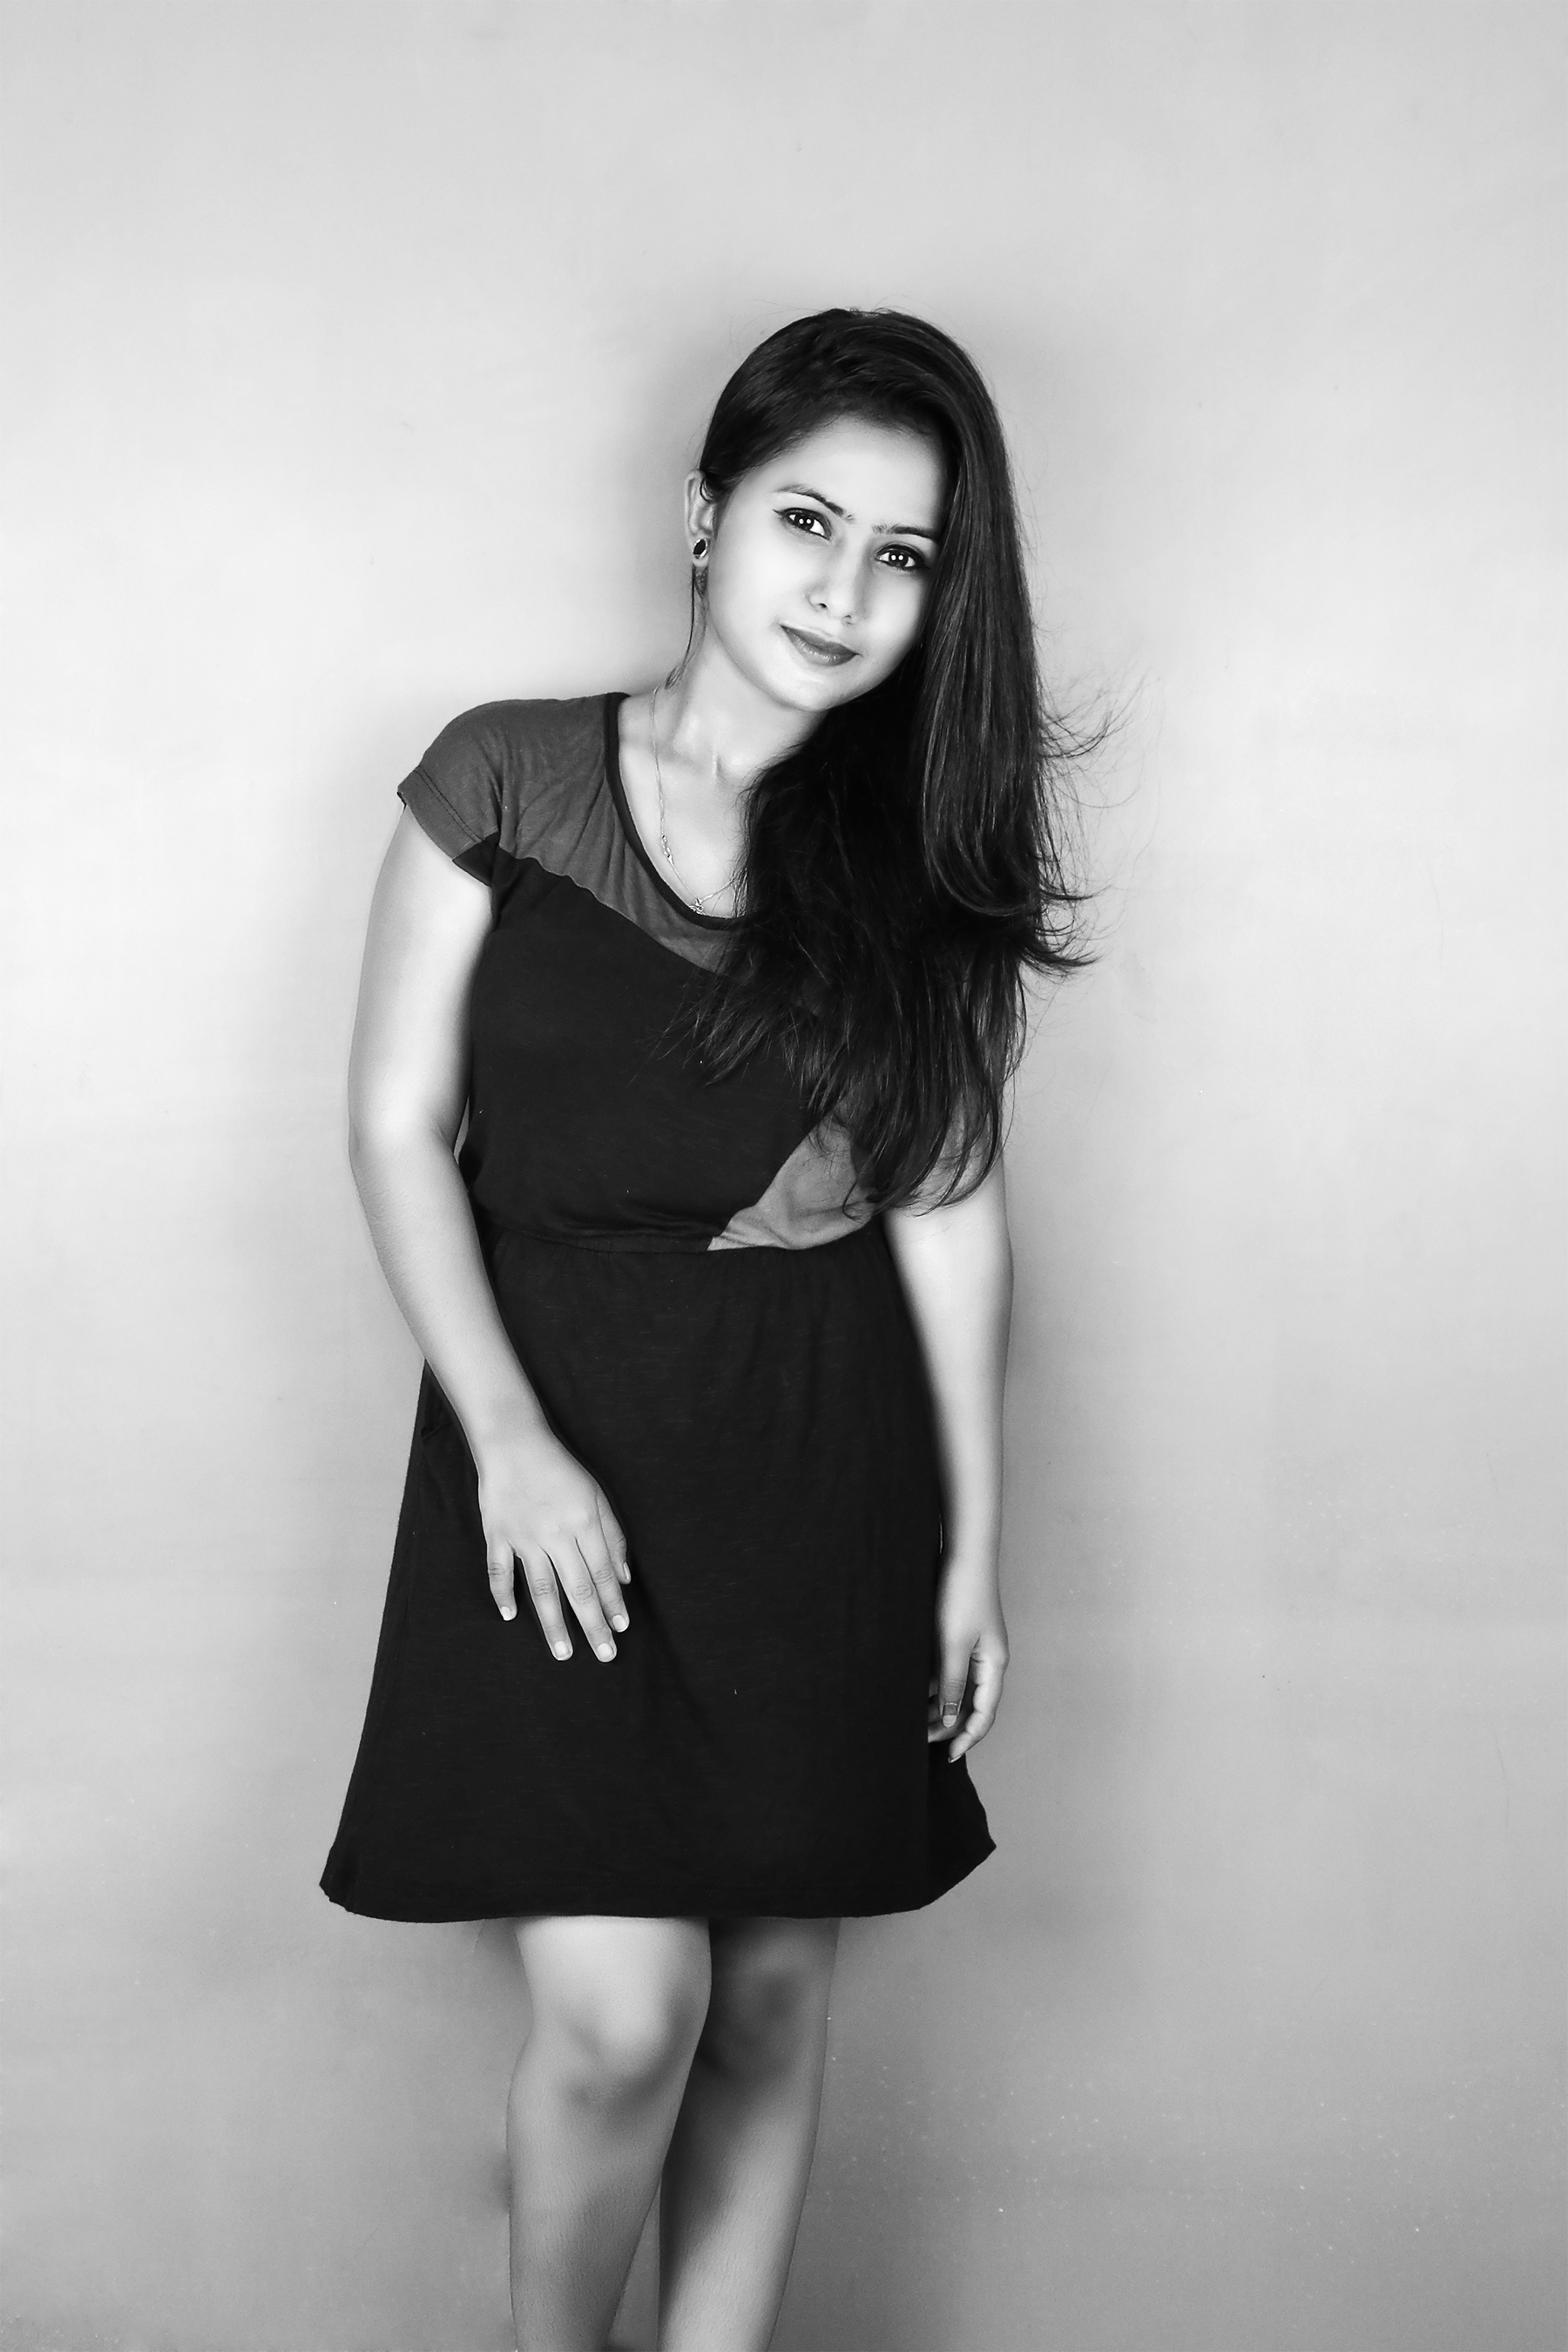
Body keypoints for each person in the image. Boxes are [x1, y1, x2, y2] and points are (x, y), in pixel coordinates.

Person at [321, 307, 1085, 2351]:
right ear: (705, 520)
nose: (842, 592)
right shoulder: (502, 774)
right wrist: (507, 1438)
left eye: (903, 557)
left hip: (819, 1463)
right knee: (622, 2011)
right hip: (551, 1441)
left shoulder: (915, 879)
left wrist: (973, 1545)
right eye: (806, 523)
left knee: (761, 1998)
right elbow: (395, 1129)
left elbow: (949, 1212)